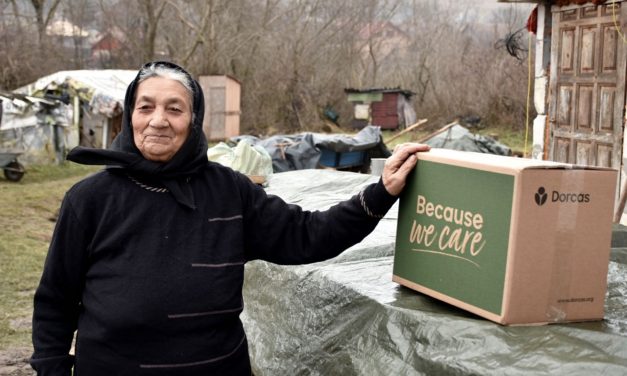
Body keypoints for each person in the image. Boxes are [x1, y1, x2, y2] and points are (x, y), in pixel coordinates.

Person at [30, 61, 430, 376]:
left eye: (175, 108)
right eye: (145, 106)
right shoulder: (90, 200)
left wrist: (382, 191)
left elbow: (308, 236)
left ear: (194, 120)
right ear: (130, 116)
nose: (158, 120)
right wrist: (51, 368)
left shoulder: (229, 192)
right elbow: (56, 299)